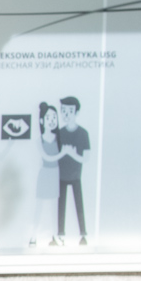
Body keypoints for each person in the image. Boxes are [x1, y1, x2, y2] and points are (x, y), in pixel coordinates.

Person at [57, 95, 89, 245]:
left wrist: (72, 153)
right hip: (61, 175)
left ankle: (83, 234)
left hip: (76, 175)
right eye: (63, 111)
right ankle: (60, 233)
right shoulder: (60, 133)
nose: (66, 114)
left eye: (70, 111)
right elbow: (55, 154)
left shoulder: (83, 134)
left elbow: (86, 158)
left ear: (76, 112)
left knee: (79, 204)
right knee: (61, 204)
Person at [32, 102, 64, 246]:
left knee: (53, 208)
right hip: (44, 174)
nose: (51, 121)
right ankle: (33, 236)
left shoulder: (59, 139)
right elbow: (47, 157)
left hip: (55, 174)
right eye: (48, 118)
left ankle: (54, 236)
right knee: (39, 207)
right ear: (41, 121)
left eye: (54, 118)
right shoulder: (40, 140)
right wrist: (64, 153)